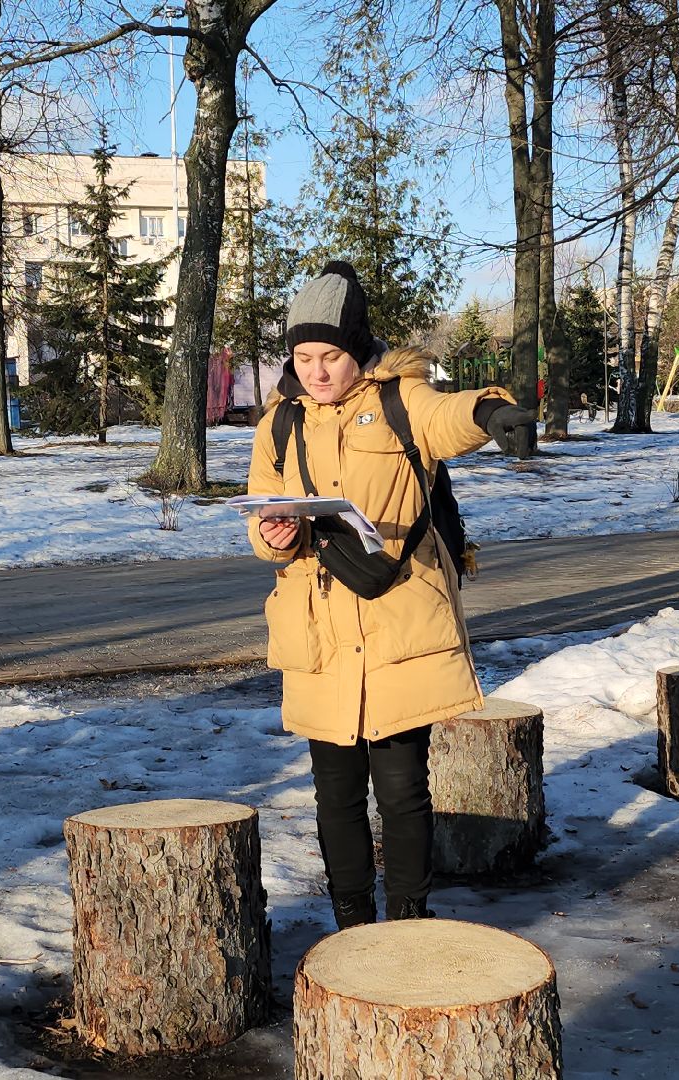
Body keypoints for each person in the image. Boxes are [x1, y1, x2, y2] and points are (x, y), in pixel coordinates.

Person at [246, 261, 535, 928]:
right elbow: (263, 525)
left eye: (330, 356)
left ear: (357, 349)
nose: (316, 371)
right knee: (335, 795)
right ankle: (351, 927)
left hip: (399, 622)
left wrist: (493, 412)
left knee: (402, 792)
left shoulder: (401, 400)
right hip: (318, 632)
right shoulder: (279, 423)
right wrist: (275, 532)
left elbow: (449, 416)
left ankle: (407, 926)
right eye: (303, 357)